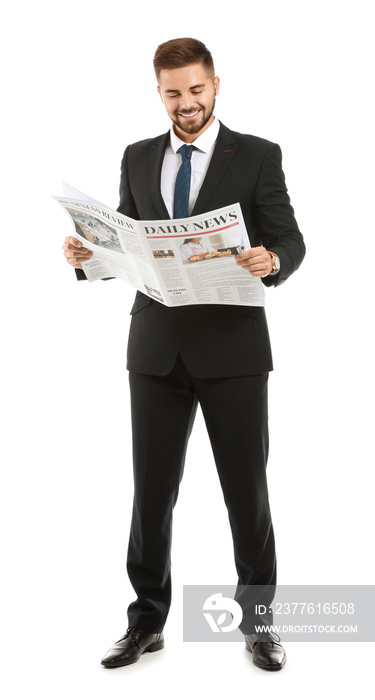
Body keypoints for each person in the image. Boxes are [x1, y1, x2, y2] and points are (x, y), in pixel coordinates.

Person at [63, 37, 305, 672]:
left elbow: (289, 237)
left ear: (215, 86)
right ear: (160, 92)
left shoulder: (256, 155)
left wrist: (272, 259)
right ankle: (146, 620)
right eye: (173, 92)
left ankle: (259, 625)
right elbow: (125, 237)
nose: (186, 103)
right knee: (151, 494)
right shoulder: (139, 156)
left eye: (196, 90)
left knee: (246, 493)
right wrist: (92, 257)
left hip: (234, 351)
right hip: (156, 350)